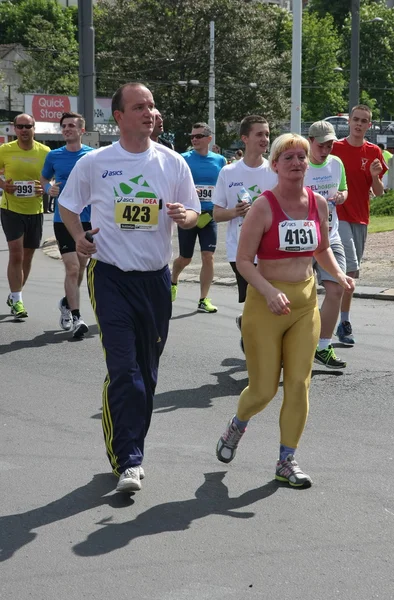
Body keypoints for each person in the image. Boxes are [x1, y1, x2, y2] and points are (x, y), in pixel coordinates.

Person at [59, 83, 200, 493]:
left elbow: (193, 213)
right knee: (125, 370)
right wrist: (79, 238)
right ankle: (129, 460)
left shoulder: (173, 163)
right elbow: (68, 205)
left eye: (152, 106)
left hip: (155, 279)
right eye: (139, 106)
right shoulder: (97, 162)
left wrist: (184, 215)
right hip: (110, 276)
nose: (148, 112)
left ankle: (132, 447)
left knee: (148, 374)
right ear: (119, 117)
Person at [216, 133, 354, 487]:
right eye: (288, 157)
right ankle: (237, 425)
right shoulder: (263, 206)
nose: (296, 163)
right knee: (264, 390)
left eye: (301, 157)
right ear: (275, 165)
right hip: (265, 305)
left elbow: (322, 248)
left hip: (304, 304)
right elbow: (244, 261)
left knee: (298, 385)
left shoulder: (318, 204)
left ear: (308, 165)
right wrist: (268, 291)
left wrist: (338, 274)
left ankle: (286, 460)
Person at [213, 115, 277, 351]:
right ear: (245, 138)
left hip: (272, 250)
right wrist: (235, 211)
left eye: (267, 134)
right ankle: (253, 336)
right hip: (240, 252)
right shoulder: (228, 173)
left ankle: (256, 339)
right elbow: (216, 214)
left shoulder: (275, 170)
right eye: (259, 134)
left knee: (265, 300)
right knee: (255, 300)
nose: (265, 139)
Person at [331, 104, 386, 345]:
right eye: (356, 119)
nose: (359, 124)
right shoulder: (335, 148)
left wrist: (374, 176)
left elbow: (379, 192)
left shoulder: (373, 152)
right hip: (336, 216)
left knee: (349, 274)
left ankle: (340, 319)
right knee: (350, 268)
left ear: (369, 126)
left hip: (360, 218)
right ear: (349, 122)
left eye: (364, 121)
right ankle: (342, 322)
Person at [40, 111, 93, 338]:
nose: (67, 129)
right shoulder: (54, 156)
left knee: (81, 267)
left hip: (88, 219)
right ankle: (77, 318)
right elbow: (44, 179)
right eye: (64, 126)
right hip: (63, 220)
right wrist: (47, 189)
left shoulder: (93, 156)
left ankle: (66, 302)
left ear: (82, 130)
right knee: (72, 268)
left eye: (72, 125)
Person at [306, 120, 348, 369]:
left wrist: (342, 196)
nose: (326, 150)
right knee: (298, 295)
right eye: (321, 145)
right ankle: (252, 323)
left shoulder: (337, 163)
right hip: (303, 240)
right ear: (310, 141)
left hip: (331, 236)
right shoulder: (300, 163)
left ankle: (322, 346)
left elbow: (344, 190)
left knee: (337, 289)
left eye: (330, 145)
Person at [171, 122, 226, 312]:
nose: (194, 139)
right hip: (189, 214)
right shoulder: (183, 158)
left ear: (209, 139)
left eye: (198, 136)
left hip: (209, 216)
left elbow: (224, 185)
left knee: (207, 256)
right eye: (192, 136)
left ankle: (203, 299)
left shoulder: (220, 161)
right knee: (185, 259)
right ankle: (173, 279)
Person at [0, 114, 50, 318]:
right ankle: (18, 301)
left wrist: (45, 188)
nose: (24, 130)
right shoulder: (5, 150)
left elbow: (50, 179)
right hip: (11, 208)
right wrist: (3, 185)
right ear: (14, 128)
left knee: (28, 256)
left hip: (35, 210)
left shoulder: (45, 151)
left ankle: (15, 294)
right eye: (20, 126)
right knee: (16, 253)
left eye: (27, 126)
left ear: (34, 128)